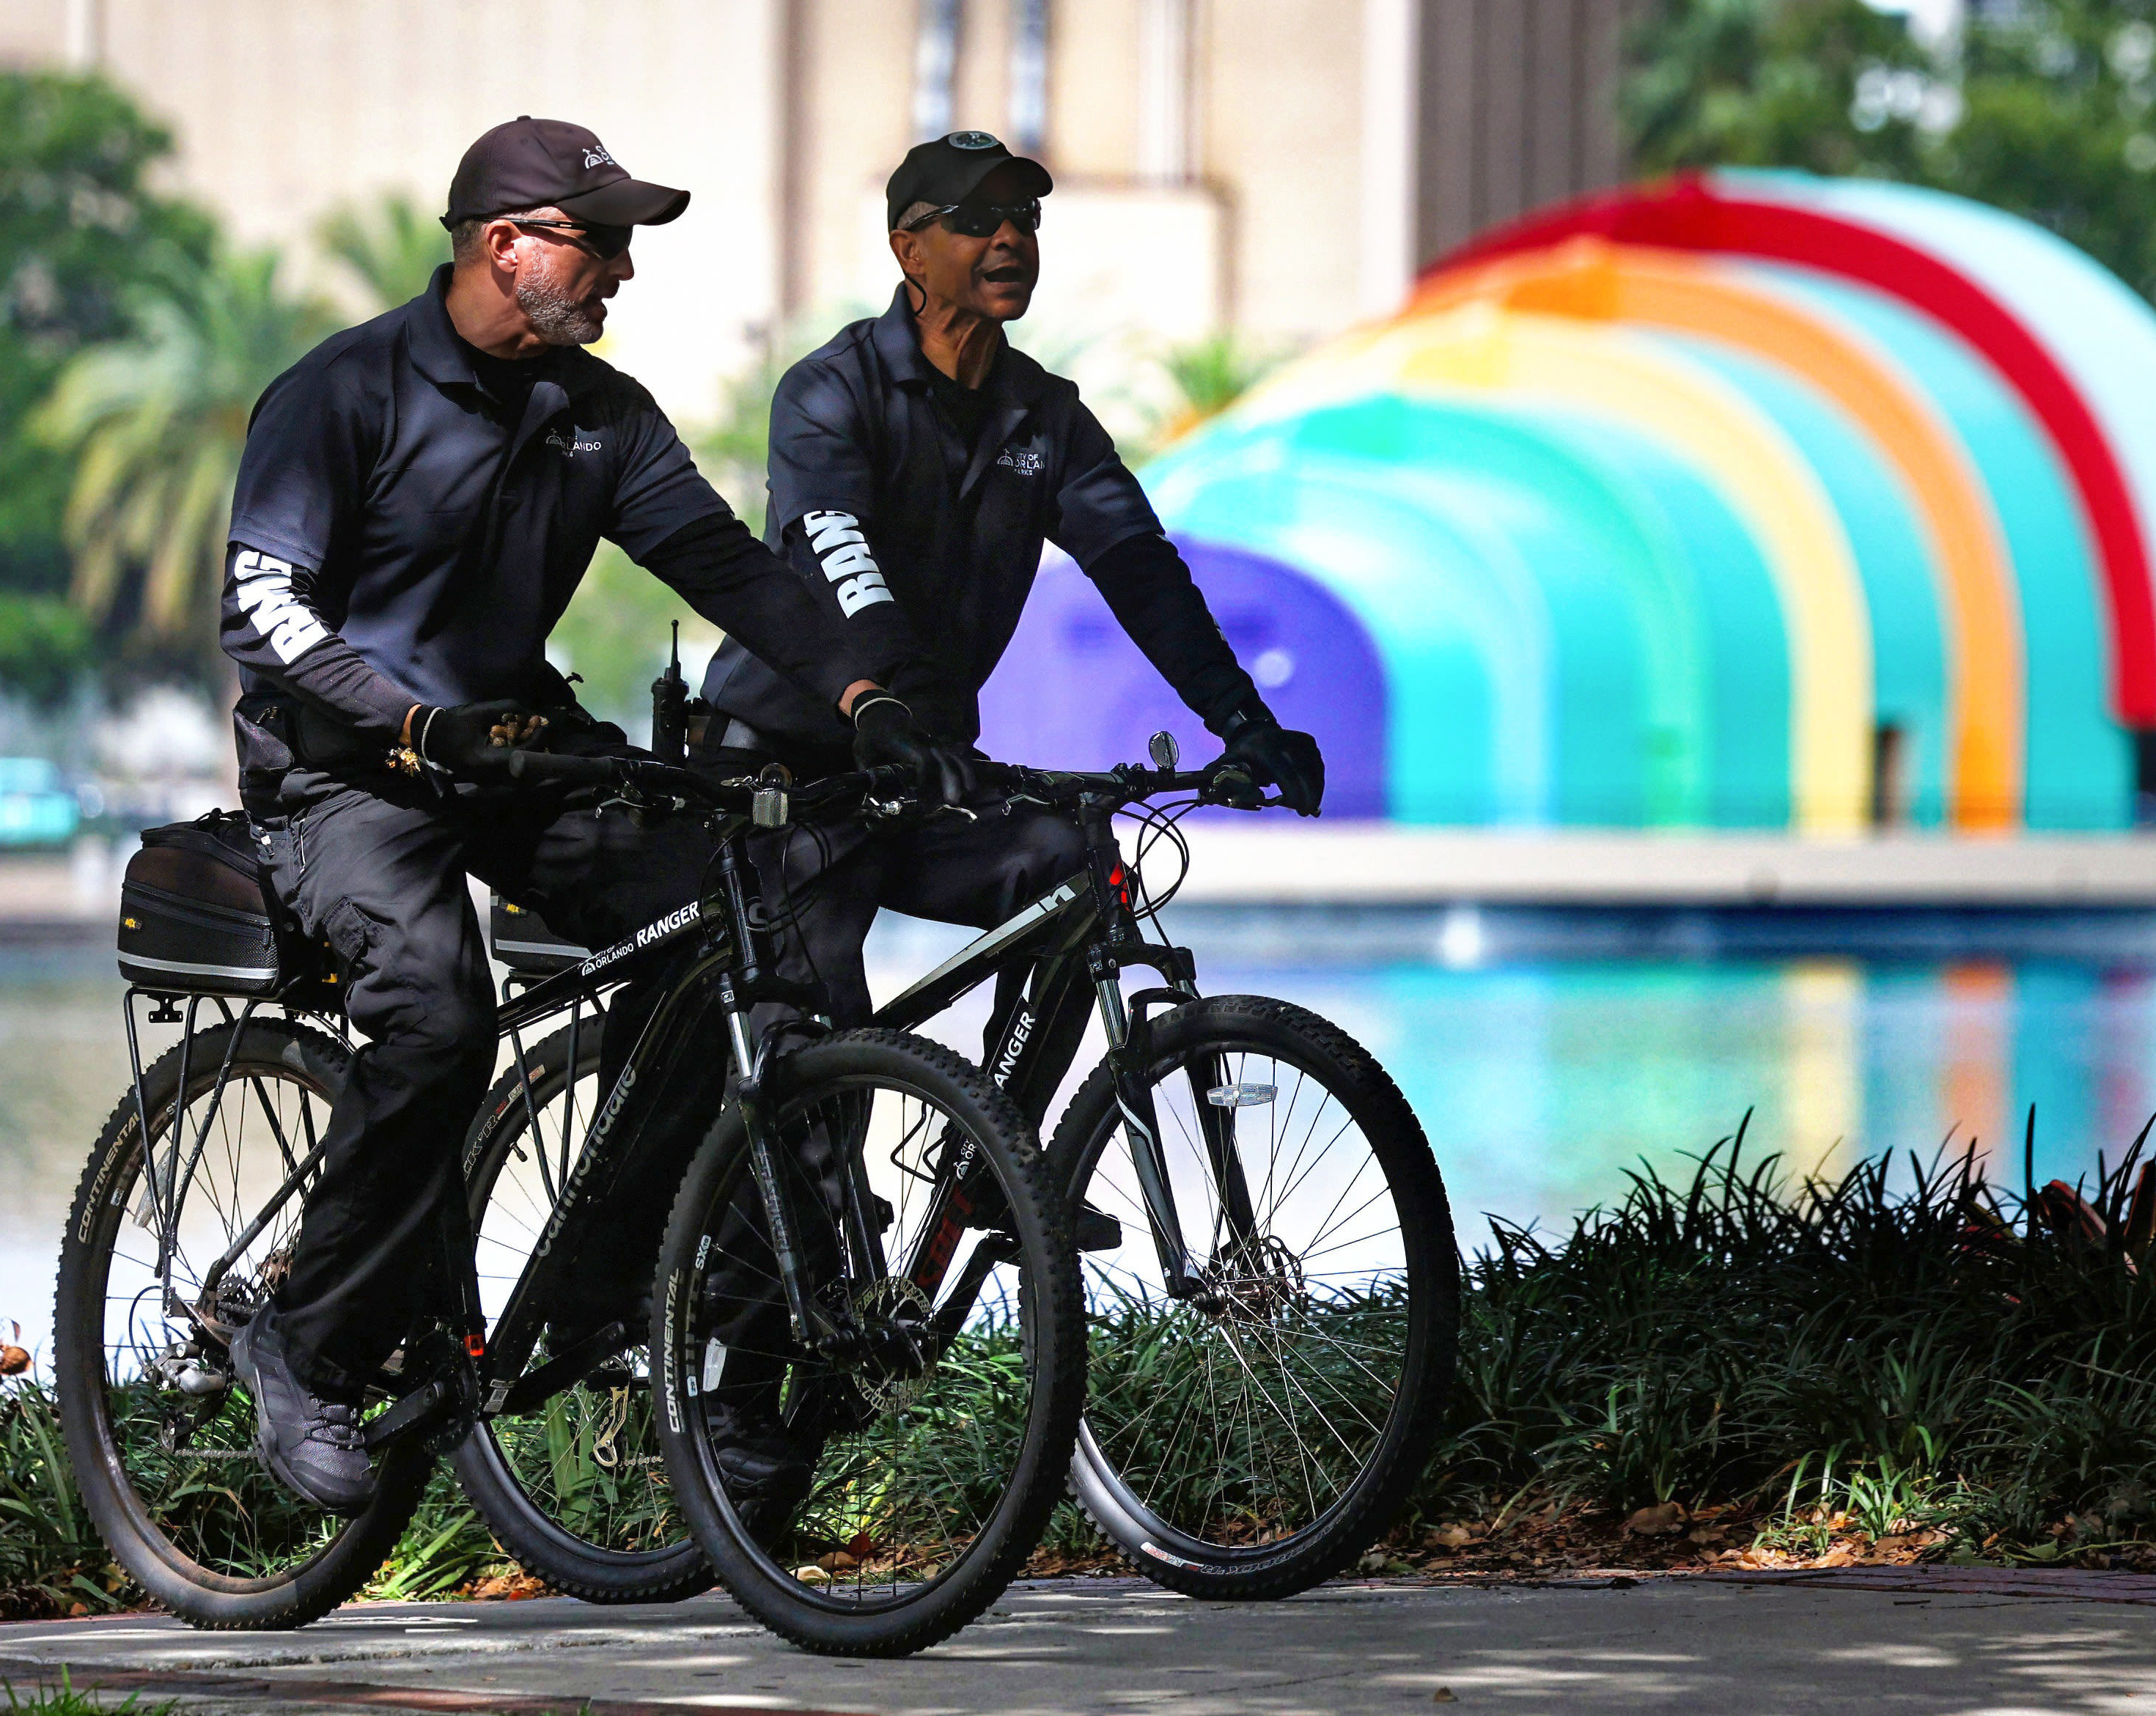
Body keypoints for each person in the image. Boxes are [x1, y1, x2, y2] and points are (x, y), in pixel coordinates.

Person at [215, 117, 961, 1514]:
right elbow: (261, 605)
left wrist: (866, 690)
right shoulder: (344, 391)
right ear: (507, 244)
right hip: (347, 774)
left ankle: (604, 1276)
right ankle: (300, 1343)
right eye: (598, 238)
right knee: (435, 1015)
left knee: (733, 921)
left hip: (513, 755)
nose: (621, 267)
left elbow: (733, 568)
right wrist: (407, 717)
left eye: (626, 243)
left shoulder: (598, 416)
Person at [693, 130, 1325, 1054]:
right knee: (822, 1049)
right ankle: (821, 1192)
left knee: (1078, 876)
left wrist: (1240, 717)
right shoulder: (830, 391)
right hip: (781, 769)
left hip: (924, 771)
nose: (1010, 240)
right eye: (976, 220)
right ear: (908, 250)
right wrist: (899, 704)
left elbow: (1141, 570)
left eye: (1024, 218)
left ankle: (993, 1181)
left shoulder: (1047, 415)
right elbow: (841, 554)